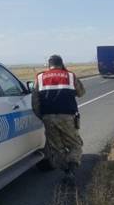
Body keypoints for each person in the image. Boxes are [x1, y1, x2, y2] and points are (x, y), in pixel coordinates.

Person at [31, 54, 85, 184]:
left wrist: (42, 116)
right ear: (62, 64)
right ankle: (71, 170)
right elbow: (81, 93)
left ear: (49, 65)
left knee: (56, 147)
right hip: (67, 117)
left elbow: (35, 102)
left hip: (48, 118)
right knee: (75, 144)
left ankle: (65, 170)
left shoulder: (40, 77)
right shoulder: (70, 76)